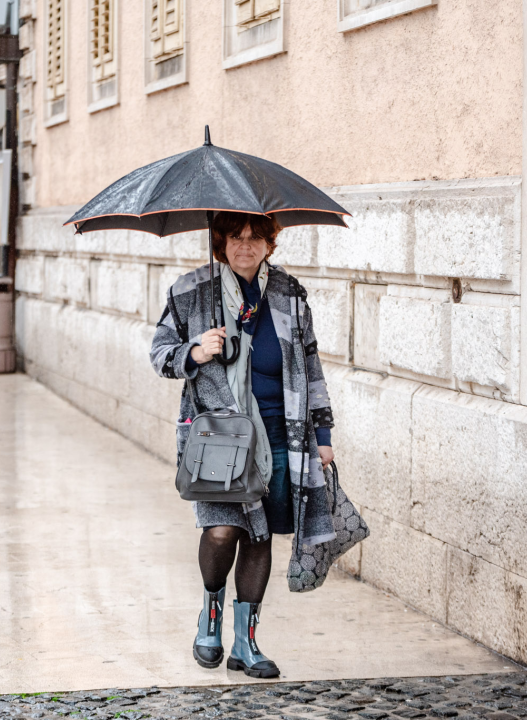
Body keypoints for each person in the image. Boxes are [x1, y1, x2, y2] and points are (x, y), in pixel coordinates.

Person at [149, 212, 336, 679]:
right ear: (221, 241)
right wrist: (194, 351)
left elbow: (311, 366)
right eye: (236, 237)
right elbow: (159, 354)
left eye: (256, 238)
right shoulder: (193, 291)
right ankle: (209, 614)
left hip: (280, 433)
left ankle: (246, 642)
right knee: (221, 531)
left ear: (270, 243)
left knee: (260, 534)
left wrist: (324, 436)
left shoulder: (290, 294)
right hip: (218, 436)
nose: (246, 246)